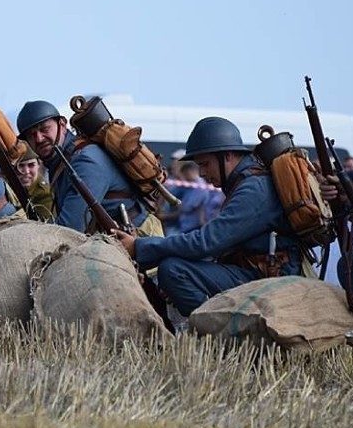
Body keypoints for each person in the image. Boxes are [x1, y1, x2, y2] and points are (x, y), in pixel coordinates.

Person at [113, 117, 307, 316]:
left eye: (205, 164)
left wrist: (138, 246)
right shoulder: (246, 183)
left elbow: (205, 242)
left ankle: (219, 335)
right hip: (255, 271)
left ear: (228, 156)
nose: (202, 173)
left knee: (173, 270)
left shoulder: (253, 189)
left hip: (268, 278)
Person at [16, 100, 160, 235]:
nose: (39, 139)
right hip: (112, 239)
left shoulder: (85, 160)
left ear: (62, 125)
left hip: (140, 236)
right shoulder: (61, 160)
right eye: (31, 135)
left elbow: (71, 227)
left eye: (45, 129)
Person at [15, 141, 54, 221]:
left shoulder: (44, 194)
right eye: (20, 165)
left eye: (31, 165)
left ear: (39, 165)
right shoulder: (6, 188)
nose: (26, 171)